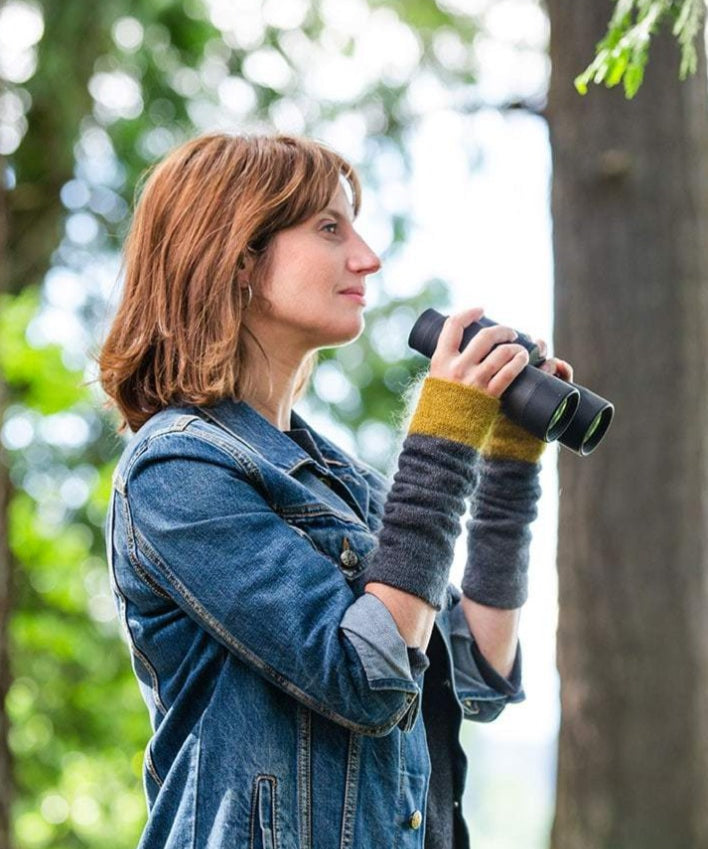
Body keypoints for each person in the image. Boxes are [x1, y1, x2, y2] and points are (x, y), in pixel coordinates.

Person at [98, 132, 572, 849]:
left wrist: (507, 462)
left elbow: (479, 667)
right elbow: (365, 676)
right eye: (329, 227)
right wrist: (441, 437)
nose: (367, 257)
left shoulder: (346, 484)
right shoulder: (177, 473)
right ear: (239, 255)